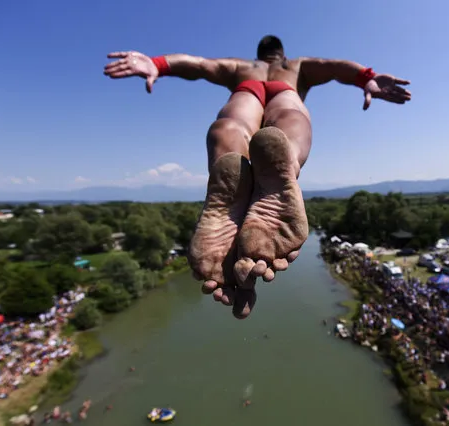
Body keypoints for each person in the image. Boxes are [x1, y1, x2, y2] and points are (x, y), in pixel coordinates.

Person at [103, 35, 411, 319]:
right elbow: (334, 68)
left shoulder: (242, 67)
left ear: (258, 53)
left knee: (231, 126)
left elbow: (198, 65)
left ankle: (232, 171)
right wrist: (366, 77)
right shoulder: (296, 66)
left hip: (245, 92)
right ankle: (283, 164)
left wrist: (157, 63)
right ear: (280, 52)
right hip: (285, 92)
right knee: (290, 119)